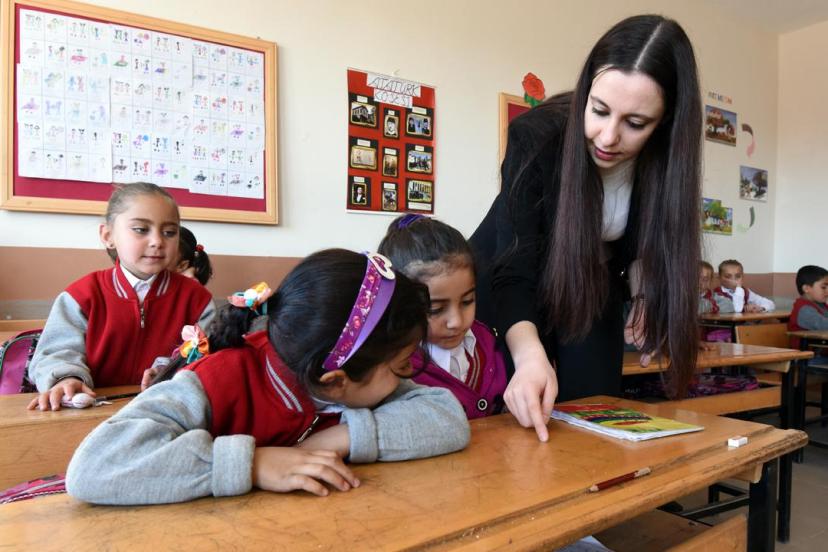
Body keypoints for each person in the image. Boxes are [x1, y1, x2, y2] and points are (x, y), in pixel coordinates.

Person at [66, 250, 470, 505]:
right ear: (335, 380)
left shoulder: (348, 374)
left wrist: (341, 437)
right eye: (403, 365)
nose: (407, 375)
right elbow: (94, 468)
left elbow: (448, 418)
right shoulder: (216, 380)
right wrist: (253, 463)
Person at [470, 15, 702, 441]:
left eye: (636, 123)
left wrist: (645, 292)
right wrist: (529, 354)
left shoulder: (667, 165)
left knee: (597, 409)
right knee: (515, 416)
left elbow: (643, 240)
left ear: (665, 122)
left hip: (590, 282)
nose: (608, 137)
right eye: (598, 110)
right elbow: (514, 268)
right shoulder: (536, 138)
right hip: (508, 282)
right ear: (585, 91)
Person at [27, 183, 216, 411]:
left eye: (169, 232)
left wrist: (169, 370)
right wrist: (66, 378)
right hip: (90, 411)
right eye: (141, 229)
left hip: (167, 411)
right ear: (108, 236)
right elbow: (56, 352)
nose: (157, 241)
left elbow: (211, 359)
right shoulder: (82, 295)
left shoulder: (197, 300)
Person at [378, 214, 507, 419]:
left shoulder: (489, 341)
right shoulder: (392, 368)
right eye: (436, 309)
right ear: (397, 303)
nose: (457, 321)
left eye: (467, 301)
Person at [788, 265, 828, 350]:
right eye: (823, 287)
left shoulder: (821, 304)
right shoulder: (804, 309)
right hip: (808, 355)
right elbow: (824, 325)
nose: (827, 291)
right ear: (806, 288)